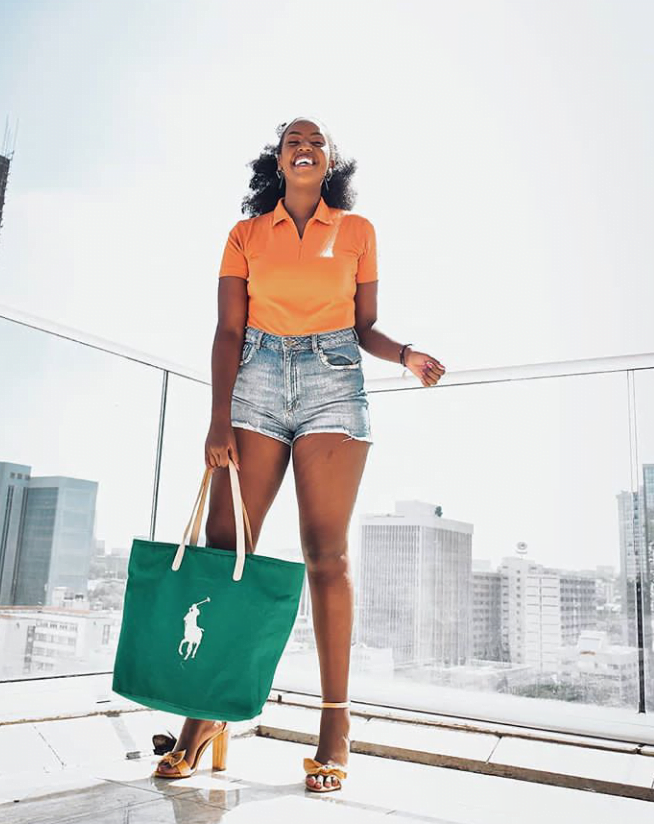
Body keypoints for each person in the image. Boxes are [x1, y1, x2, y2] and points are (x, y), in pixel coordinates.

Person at [153, 116, 445, 792]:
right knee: (229, 551)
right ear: (277, 161)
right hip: (252, 382)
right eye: (292, 142)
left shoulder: (357, 230)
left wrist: (404, 355)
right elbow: (228, 329)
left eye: (316, 142)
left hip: (333, 384)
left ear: (330, 160)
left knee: (326, 553)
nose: (304, 148)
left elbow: (363, 325)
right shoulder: (246, 233)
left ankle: (334, 725)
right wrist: (218, 416)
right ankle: (203, 717)